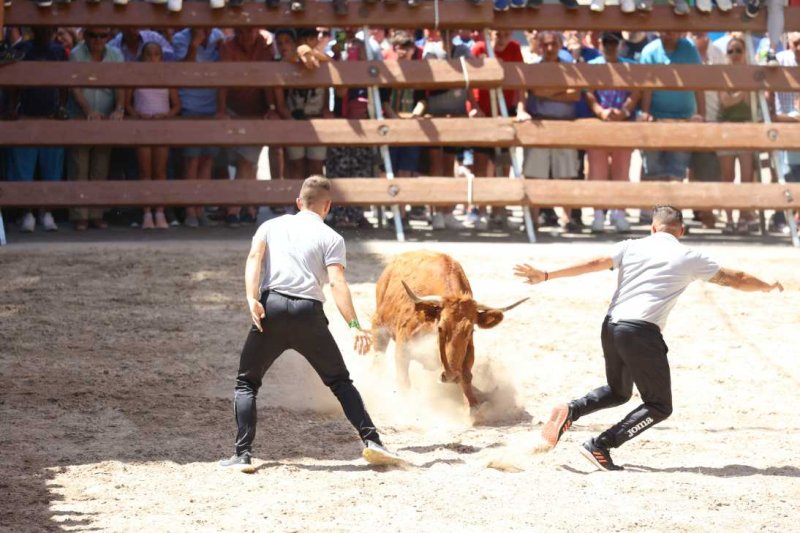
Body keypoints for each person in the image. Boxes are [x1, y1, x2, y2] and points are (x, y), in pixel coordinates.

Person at [513, 205, 783, 471]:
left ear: (653, 228)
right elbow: (738, 278)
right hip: (641, 332)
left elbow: (594, 263)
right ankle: (601, 445)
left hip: (611, 326)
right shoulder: (690, 257)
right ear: (682, 231)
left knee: (618, 392)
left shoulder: (631, 246)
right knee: (659, 405)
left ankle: (572, 409)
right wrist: (766, 286)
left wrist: (546, 274)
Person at [219, 176, 405, 472]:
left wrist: (251, 298)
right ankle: (372, 441)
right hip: (309, 313)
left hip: (271, 308)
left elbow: (254, 258)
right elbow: (337, 283)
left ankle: (243, 455)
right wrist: (354, 325)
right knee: (340, 382)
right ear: (327, 206)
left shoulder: (270, 226)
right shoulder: (332, 237)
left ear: (298, 202)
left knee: (247, 383)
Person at [6, 27, 68, 233]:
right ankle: (27, 213)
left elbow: (64, 84)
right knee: (23, 169)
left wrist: (61, 107)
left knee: (52, 169)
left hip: (50, 117)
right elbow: (13, 83)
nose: (45, 33)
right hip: (26, 116)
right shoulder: (22, 48)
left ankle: (47, 212)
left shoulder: (58, 51)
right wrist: (13, 109)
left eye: (48, 30)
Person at [67, 26, 125, 231]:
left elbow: (121, 85)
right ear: (85, 36)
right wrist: (88, 111)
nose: (98, 39)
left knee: (101, 167)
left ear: (108, 37)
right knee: (79, 166)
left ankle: (96, 214)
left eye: (103, 35)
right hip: (81, 115)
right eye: (93, 35)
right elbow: (74, 87)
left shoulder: (116, 55)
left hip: (106, 117)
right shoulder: (76, 55)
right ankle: (80, 216)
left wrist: (119, 109)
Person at [124, 42, 181, 230]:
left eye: (156, 54)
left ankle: (160, 211)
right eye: (148, 54)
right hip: (142, 127)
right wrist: (138, 115)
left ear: (161, 58)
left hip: (161, 127)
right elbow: (128, 104)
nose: (152, 58)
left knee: (160, 171)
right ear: (142, 57)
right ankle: (147, 212)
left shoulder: (166, 78)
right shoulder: (136, 78)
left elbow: (176, 105)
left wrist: (165, 115)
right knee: (144, 171)